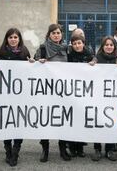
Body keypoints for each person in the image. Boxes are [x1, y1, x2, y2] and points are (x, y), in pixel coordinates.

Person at [0, 28, 32, 166]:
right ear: (6, 39)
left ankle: (15, 152)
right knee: (6, 122)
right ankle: (7, 151)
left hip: (21, 95)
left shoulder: (25, 52)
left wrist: (33, 63)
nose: (13, 39)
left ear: (19, 39)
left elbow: (31, 70)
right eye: (10, 37)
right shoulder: (1, 53)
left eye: (15, 37)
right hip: (5, 96)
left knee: (18, 123)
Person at [34, 23, 71, 162]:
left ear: (62, 34)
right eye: (54, 33)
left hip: (63, 92)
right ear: (49, 35)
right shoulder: (43, 48)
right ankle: (45, 149)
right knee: (46, 119)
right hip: (46, 91)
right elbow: (33, 66)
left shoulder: (67, 49)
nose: (56, 35)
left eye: (58, 33)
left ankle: (63, 148)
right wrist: (38, 62)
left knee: (63, 119)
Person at [90, 36, 117, 162]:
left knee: (111, 123)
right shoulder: (97, 58)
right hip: (98, 97)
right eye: (106, 45)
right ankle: (97, 149)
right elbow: (90, 70)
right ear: (102, 46)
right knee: (98, 124)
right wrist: (91, 65)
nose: (109, 47)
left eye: (111, 45)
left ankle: (110, 149)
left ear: (114, 47)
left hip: (112, 98)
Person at [66, 34, 94, 158]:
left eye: (79, 43)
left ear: (84, 43)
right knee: (72, 120)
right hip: (71, 92)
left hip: (85, 92)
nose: (77, 45)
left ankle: (80, 147)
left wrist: (94, 62)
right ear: (72, 45)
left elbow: (96, 63)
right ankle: (72, 147)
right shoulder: (69, 55)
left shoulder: (89, 55)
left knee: (82, 120)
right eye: (75, 43)